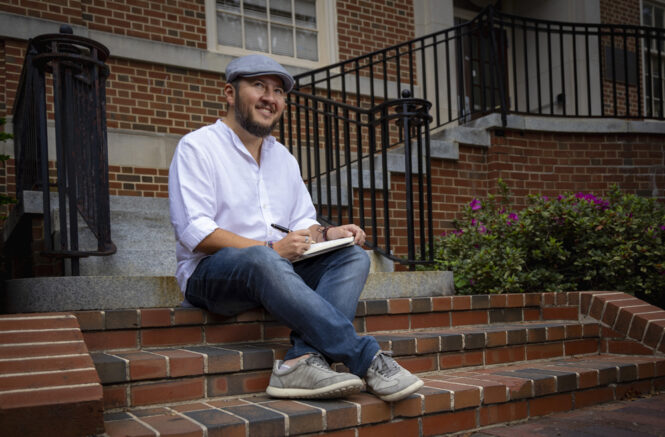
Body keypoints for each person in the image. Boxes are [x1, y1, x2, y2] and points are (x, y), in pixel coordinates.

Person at [168, 54, 423, 402]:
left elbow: (303, 223)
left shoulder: (283, 157)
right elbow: (196, 232)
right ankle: (365, 357)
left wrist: (328, 234)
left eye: (277, 91)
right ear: (230, 93)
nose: (270, 98)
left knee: (352, 257)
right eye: (258, 85)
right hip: (212, 277)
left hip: (276, 267)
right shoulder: (197, 147)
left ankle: (300, 360)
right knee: (263, 258)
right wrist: (271, 250)